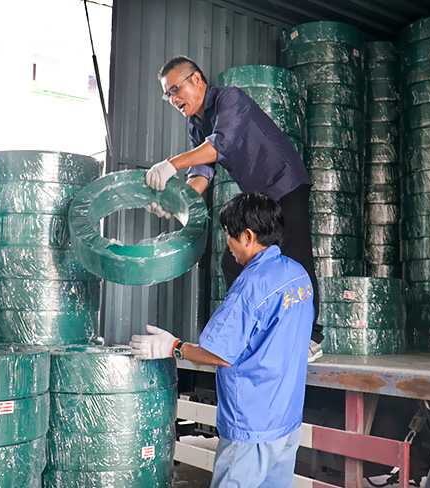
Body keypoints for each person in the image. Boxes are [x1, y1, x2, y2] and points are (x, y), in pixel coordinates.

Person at [145, 55, 323, 361]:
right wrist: (176, 204)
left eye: (175, 89)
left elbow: (220, 145)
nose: (173, 99)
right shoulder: (196, 124)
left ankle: (311, 337)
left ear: (196, 80)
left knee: (296, 255)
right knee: (233, 261)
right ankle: (246, 331)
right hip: (260, 197)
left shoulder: (230, 98)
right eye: (168, 95)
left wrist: (171, 164)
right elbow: (202, 174)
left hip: (286, 182)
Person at [131, 193, 314, 488]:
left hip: (252, 425)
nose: (227, 243)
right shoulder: (297, 275)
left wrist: (173, 347)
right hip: (286, 420)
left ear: (248, 236)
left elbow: (219, 353)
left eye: (229, 235)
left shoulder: (250, 286)